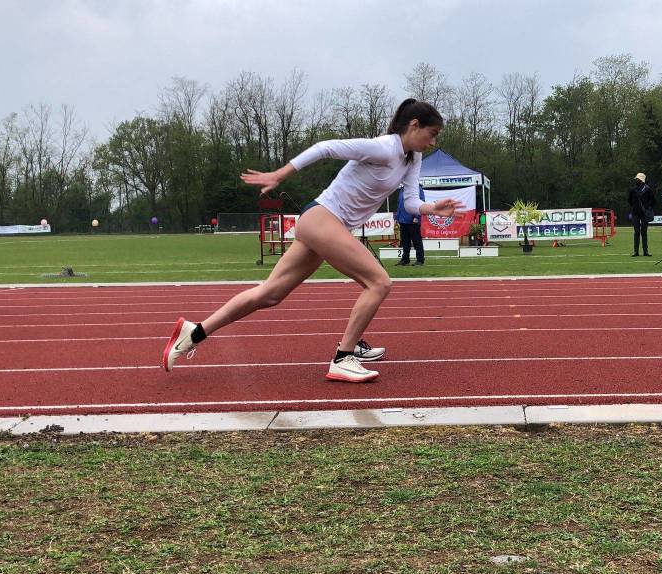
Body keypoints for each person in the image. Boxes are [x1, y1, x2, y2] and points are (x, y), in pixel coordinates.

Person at [162, 99, 463, 382]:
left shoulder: (413, 159)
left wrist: (430, 208)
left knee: (269, 294)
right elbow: (325, 148)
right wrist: (280, 174)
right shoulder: (383, 148)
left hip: (325, 225)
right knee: (379, 282)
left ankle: (195, 331)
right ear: (413, 125)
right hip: (323, 219)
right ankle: (343, 357)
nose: (434, 141)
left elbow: (410, 201)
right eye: (432, 133)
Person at [395, 184, 425, 266]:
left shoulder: (417, 188)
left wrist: (417, 217)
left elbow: (421, 203)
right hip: (402, 220)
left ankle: (420, 259)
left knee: (416, 241)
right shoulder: (402, 189)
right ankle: (405, 259)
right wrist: (397, 217)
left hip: (413, 220)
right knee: (405, 241)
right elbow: (399, 204)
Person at [628, 173, 655, 257]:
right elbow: (629, 200)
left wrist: (648, 208)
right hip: (635, 213)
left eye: (637, 179)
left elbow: (653, 200)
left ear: (641, 180)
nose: (636, 180)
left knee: (644, 232)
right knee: (636, 232)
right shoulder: (633, 190)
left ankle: (645, 251)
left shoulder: (648, 189)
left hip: (644, 214)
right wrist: (635, 207)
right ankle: (636, 251)